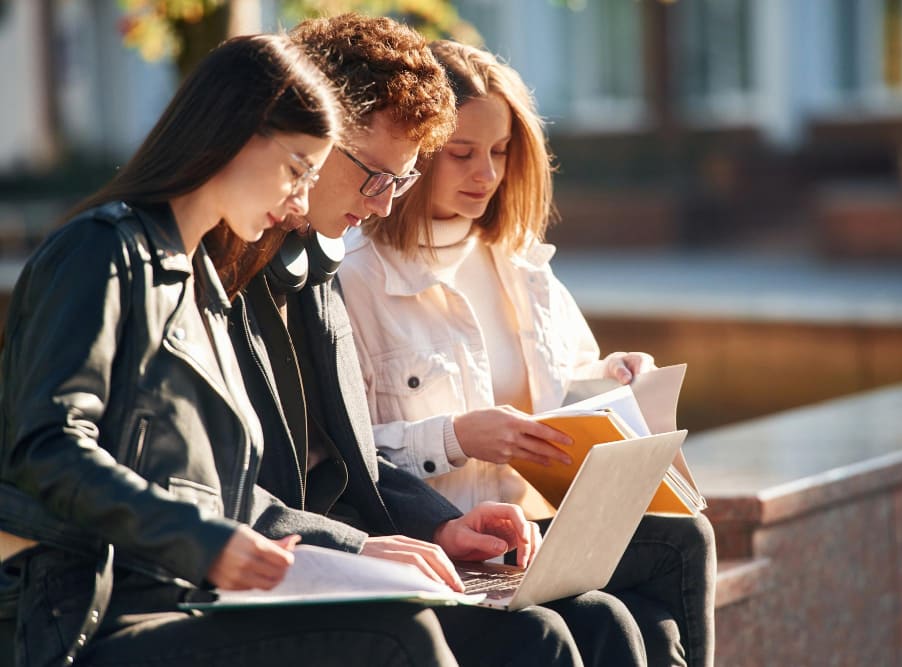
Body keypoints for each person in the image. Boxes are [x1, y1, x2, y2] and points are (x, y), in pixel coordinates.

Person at [0, 33, 461, 667]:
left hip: (186, 601)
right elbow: (47, 446)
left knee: (414, 624)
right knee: (398, 636)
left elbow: (224, 491)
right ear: (235, 135)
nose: (300, 201)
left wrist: (341, 556)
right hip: (85, 618)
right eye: (297, 170)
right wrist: (204, 540)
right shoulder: (101, 251)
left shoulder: (208, 287)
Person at [206, 14, 645, 667]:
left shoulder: (311, 270)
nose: (381, 204)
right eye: (372, 175)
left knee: (608, 617)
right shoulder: (243, 273)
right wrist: (369, 540)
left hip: (366, 545)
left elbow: (344, 457)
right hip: (278, 573)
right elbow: (210, 486)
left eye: (399, 180)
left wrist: (437, 525)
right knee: (538, 637)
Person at [337, 40, 718, 667]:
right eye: (461, 153)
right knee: (623, 622)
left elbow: (565, 385)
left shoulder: (519, 260)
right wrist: (457, 437)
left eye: (500, 151)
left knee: (679, 547)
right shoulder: (355, 276)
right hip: (451, 535)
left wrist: (614, 378)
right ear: (416, 151)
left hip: (539, 529)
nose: (486, 174)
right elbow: (342, 454)